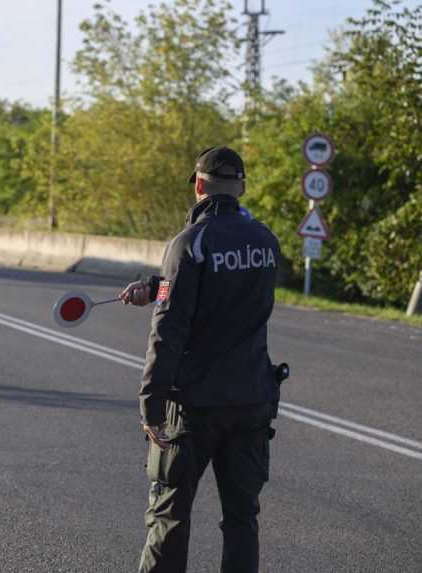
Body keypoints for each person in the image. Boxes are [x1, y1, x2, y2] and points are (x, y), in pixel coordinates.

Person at [120, 146, 281, 573]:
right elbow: (228, 295)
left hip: (194, 408)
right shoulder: (266, 241)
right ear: (242, 188)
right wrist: (158, 285)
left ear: (198, 185)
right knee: (242, 520)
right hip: (252, 401)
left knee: (170, 517)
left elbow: (169, 329)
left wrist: (151, 404)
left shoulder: (189, 243)